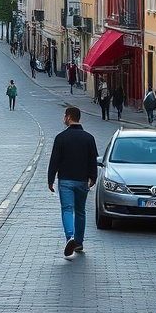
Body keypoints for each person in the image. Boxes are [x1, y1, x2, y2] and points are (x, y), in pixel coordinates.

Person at [47, 106, 98, 258]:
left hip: (66, 181)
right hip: (82, 181)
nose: (64, 118)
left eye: (65, 116)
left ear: (68, 117)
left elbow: (54, 161)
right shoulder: (89, 138)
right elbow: (93, 160)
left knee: (67, 209)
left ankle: (70, 237)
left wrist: (50, 180)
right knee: (80, 211)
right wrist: (93, 177)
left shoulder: (61, 138)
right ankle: (79, 242)